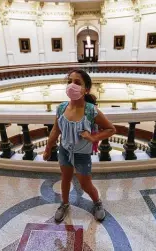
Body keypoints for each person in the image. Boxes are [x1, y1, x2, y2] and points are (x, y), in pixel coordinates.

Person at [43, 69, 116, 222]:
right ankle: (64, 204)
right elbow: (56, 130)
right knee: (65, 179)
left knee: (85, 183)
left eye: (77, 82)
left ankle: (97, 203)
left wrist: (92, 136)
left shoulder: (91, 111)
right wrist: (48, 148)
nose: (72, 85)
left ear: (86, 89)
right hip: (64, 151)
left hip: (82, 155)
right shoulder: (61, 108)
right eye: (70, 81)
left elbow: (111, 129)